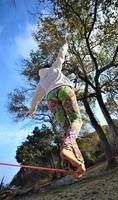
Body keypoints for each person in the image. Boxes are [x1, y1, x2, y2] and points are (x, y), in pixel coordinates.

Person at [26, 36, 86, 177]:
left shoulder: (41, 83)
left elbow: (35, 100)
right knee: (77, 120)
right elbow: (61, 55)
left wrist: (32, 109)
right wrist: (65, 44)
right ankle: (68, 147)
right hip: (63, 90)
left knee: (67, 129)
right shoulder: (54, 69)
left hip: (50, 99)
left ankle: (79, 163)